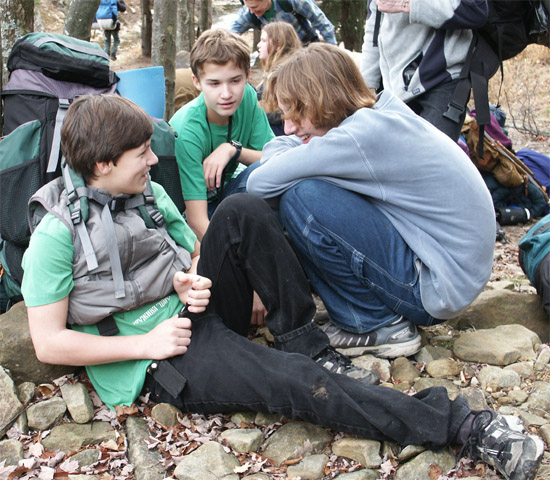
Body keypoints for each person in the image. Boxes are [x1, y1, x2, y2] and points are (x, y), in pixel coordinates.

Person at [21, 95, 545, 480]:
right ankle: (462, 427)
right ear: (103, 164)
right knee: (296, 382)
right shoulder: (55, 235)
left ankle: (305, 341)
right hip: (161, 358)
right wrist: (146, 344)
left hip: (191, 311)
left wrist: (188, 276)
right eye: (141, 154)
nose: (154, 160)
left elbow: (197, 249)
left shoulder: (147, 193)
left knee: (241, 208)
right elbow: (48, 343)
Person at [247, 43, 496, 361]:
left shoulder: (358, 138)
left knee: (302, 197)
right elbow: (278, 152)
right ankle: (370, 311)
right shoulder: (380, 116)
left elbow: (259, 183)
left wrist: (287, 151)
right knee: (309, 186)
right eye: (285, 116)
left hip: (435, 287)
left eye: (296, 113)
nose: (289, 127)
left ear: (324, 101)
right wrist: (294, 147)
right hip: (448, 274)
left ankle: (376, 323)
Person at [169, 29, 274, 243]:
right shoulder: (188, 130)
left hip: (226, 194)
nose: (226, 94)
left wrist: (232, 150)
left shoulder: (247, 98)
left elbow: (276, 158)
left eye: (235, 81)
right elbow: (196, 221)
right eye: (214, 83)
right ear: (197, 82)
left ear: (247, 76)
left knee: (270, 175)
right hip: (191, 211)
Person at [360, 0, 489, 141]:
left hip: (444, 78)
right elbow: (374, 26)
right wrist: (365, 88)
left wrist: (406, 4)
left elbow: (476, 9)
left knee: (433, 152)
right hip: (395, 85)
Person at [256, 22, 302, 136]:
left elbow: (284, 112)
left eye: (263, 41)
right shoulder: (279, 69)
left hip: (284, 134)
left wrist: (255, 111)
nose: (258, 45)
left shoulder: (284, 74)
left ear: (278, 45)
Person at [231, 0, 337, 46]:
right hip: (279, 55)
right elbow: (231, 33)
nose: (251, 11)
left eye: (255, 7)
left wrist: (332, 48)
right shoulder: (249, 12)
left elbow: (321, 22)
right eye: (248, 7)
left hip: (306, 46)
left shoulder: (293, 1)